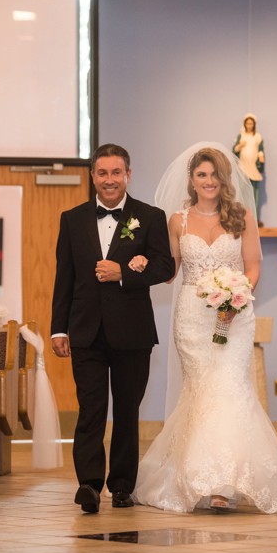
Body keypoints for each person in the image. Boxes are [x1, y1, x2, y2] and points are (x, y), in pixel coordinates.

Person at [132, 144, 277, 513]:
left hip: (233, 317)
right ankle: (198, 477)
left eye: (214, 175)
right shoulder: (178, 221)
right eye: (201, 175)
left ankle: (226, 482)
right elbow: (171, 269)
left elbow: (252, 265)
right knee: (202, 391)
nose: (208, 181)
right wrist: (143, 263)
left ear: (225, 179)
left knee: (231, 390)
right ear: (191, 179)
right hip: (192, 317)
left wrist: (235, 295)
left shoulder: (242, 218)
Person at [50, 143, 174, 513]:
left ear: (128, 175)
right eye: (102, 173)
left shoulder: (150, 217)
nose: (109, 180)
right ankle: (88, 484)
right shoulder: (71, 219)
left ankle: (121, 485)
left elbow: (165, 268)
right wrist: (59, 329)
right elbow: (64, 278)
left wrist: (124, 274)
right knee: (90, 410)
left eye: (116, 173)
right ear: (93, 177)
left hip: (132, 333)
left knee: (126, 412)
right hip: (85, 331)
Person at [232, 113, 265, 218]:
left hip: (253, 167)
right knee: (243, 192)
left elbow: (260, 150)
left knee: (254, 193)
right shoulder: (241, 136)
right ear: (245, 124)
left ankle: (255, 218)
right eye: (247, 123)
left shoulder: (257, 136)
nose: (249, 125)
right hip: (243, 167)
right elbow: (235, 150)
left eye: (251, 123)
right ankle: (242, 217)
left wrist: (261, 157)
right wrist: (240, 145)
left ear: (254, 124)